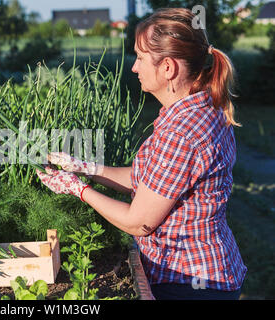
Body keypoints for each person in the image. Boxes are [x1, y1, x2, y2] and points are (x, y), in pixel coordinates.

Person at [36, 7, 247, 300]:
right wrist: (86, 168)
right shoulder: (196, 110)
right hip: (198, 273)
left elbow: (139, 222)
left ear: (168, 68)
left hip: (190, 281)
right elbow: (148, 181)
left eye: (140, 57)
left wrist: (77, 189)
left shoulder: (182, 132)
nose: (134, 67)